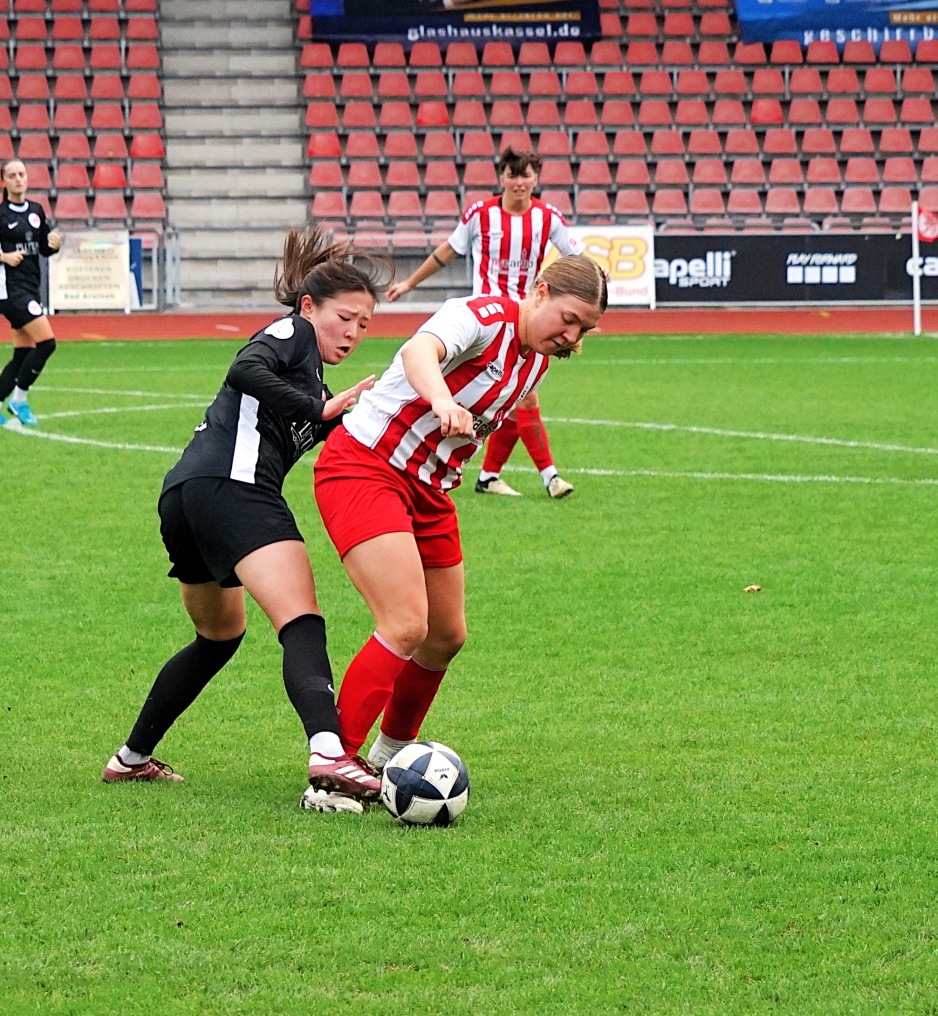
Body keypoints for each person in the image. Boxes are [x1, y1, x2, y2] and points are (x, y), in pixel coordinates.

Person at [105, 226, 386, 813]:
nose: (353, 333)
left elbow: (344, 434)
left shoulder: (315, 381)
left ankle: (130, 758)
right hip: (233, 489)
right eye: (345, 317)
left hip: (186, 495)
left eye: (365, 324)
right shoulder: (292, 332)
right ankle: (329, 751)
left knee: (218, 636)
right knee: (302, 620)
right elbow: (244, 369)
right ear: (308, 307)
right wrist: (316, 409)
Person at [318, 254, 607, 773]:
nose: (571, 336)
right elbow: (418, 350)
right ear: (541, 292)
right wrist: (441, 399)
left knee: (445, 635)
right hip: (367, 464)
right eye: (568, 319)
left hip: (429, 489)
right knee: (406, 623)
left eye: (583, 329)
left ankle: (391, 756)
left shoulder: (536, 360)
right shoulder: (481, 316)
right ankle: (334, 764)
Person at [387, 145, 584, 499]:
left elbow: (579, 260)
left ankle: (490, 476)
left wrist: (590, 298)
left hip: (529, 323)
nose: (519, 182)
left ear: (535, 179)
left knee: (512, 400)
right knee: (522, 399)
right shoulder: (480, 214)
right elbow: (447, 251)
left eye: (526, 175)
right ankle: (550, 477)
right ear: (501, 178)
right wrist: (409, 284)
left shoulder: (549, 218)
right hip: (488, 325)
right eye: (512, 175)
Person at [0, 158, 60, 426]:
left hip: (31, 287)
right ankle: (19, 400)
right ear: (4, 181)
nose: (18, 179)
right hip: (11, 291)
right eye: (12, 175)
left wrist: (53, 245)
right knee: (47, 344)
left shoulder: (36, 210)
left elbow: (43, 248)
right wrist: (3, 257)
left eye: (22, 174)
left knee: (22, 355)